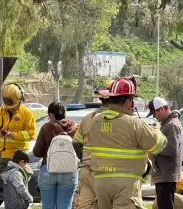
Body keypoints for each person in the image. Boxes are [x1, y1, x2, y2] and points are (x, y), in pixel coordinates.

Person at [87, 77, 167, 209]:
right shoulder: (134, 124)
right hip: (126, 184)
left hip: (100, 183)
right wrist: (155, 129)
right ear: (128, 101)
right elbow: (159, 144)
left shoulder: (95, 121)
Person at [0, 83, 36, 209]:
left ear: (20, 99)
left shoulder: (27, 114)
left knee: (17, 186)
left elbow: (31, 134)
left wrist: (13, 135)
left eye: (13, 106)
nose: (11, 108)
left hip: (17, 158)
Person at [73, 81, 113, 209]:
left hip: (86, 171)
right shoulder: (119, 120)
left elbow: (76, 142)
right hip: (107, 173)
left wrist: (84, 158)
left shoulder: (87, 118)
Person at [33, 101, 79, 209]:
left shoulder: (46, 127)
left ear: (50, 115)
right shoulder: (75, 127)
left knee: (48, 206)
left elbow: (37, 153)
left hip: (48, 170)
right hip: (69, 171)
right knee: (65, 205)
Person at [147, 96, 183, 209]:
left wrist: (153, 146)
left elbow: (172, 149)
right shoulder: (168, 124)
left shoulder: (171, 125)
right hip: (164, 174)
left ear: (162, 109)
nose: (154, 117)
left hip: (166, 175)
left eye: (154, 113)